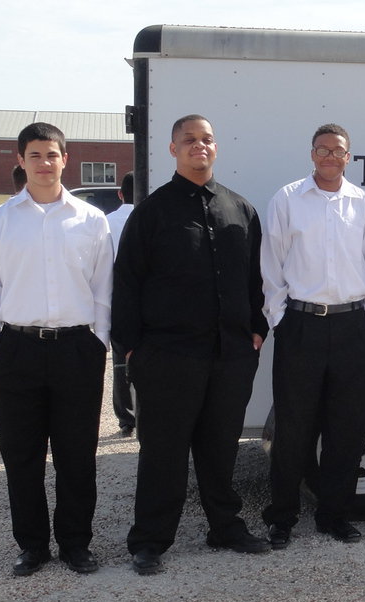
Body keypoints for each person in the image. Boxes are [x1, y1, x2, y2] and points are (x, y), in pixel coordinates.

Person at [113, 114, 270, 575]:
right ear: (173, 149)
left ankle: (225, 527)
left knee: (220, 447)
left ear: (215, 148)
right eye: (188, 140)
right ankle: (150, 540)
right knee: (163, 451)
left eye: (206, 140)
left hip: (231, 355)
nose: (198, 146)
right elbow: (127, 282)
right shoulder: (153, 212)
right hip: (168, 357)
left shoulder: (240, 209)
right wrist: (130, 349)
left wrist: (256, 328)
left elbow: (254, 279)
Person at [0, 122, 112, 576]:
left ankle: (76, 543)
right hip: (16, 350)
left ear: (64, 159)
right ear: (21, 160)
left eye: (52, 155)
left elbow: (102, 287)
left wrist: (98, 342)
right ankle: (32, 545)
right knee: (22, 456)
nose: (44, 163)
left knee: (77, 454)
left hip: (76, 349)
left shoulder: (91, 220)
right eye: (35, 155)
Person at [260, 123, 365, 547]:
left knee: (347, 429)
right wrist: (280, 319)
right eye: (323, 149)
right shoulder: (288, 199)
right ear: (312, 154)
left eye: (339, 151)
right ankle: (282, 517)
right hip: (301, 325)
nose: (331, 157)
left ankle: (335, 515)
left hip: (352, 328)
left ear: (349, 157)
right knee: (294, 427)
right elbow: (272, 264)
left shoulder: (363, 204)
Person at [105, 171, 135, 437]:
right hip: (145, 301)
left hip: (115, 298)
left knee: (120, 360)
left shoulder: (106, 222)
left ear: (120, 193)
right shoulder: (150, 217)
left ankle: (126, 416)